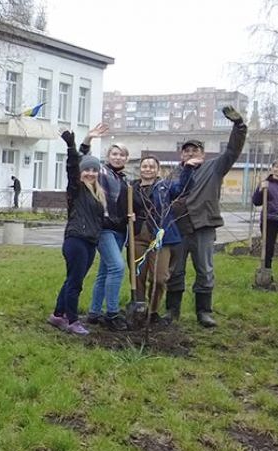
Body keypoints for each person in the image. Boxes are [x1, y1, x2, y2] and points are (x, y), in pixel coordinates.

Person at [165, 106, 247, 327]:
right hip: (178, 228)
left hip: (203, 226)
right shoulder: (175, 173)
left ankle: (204, 312)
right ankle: (172, 311)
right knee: (175, 270)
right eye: (186, 151)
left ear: (202, 154)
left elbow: (232, 151)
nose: (190, 154)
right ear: (181, 154)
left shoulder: (214, 168)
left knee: (205, 270)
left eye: (195, 150)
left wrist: (239, 126)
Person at [48, 130, 107, 336]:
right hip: (76, 241)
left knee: (72, 278)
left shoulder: (97, 194)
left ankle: (57, 314)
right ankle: (72, 321)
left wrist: (87, 142)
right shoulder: (77, 189)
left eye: (94, 169)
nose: (90, 173)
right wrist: (72, 147)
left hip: (90, 242)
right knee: (75, 283)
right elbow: (74, 166)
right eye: (86, 170)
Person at [83, 141, 130, 331]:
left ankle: (94, 312)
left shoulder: (124, 180)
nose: (118, 157)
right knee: (118, 268)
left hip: (120, 230)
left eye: (122, 155)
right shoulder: (102, 173)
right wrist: (87, 141)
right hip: (104, 229)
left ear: (126, 158)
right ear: (108, 156)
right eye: (114, 154)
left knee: (105, 271)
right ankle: (112, 314)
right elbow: (85, 159)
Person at [130, 156, 184, 323]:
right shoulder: (132, 188)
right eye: (144, 166)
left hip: (160, 238)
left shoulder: (166, 187)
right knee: (137, 276)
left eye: (152, 166)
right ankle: (139, 309)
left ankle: (153, 311)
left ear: (157, 170)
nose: (148, 169)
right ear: (140, 169)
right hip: (138, 236)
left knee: (159, 278)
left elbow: (183, 187)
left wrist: (187, 168)